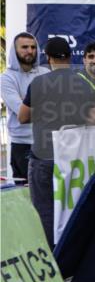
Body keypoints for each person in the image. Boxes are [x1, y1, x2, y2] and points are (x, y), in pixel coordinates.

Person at [17, 38, 95, 248]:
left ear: (48, 58)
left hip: (43, 156)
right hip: (73, 157)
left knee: (44, 209)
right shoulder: (83, 82)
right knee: (73, 206)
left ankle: (52, 259)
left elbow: (22, 117)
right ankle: (71, 257)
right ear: (70, 56)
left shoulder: (37, 83)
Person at [2, 32, 49, 183]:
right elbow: (23, 116)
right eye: (24, 47)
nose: (30, 51)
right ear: (14, 51)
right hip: (22, 147)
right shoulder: (6, 78)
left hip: (47, 143)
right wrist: (47, 107)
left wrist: (26, 102)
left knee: (50, 194)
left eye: (33, 47)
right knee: (25, 198)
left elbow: (58, 107)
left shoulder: (45, 73)